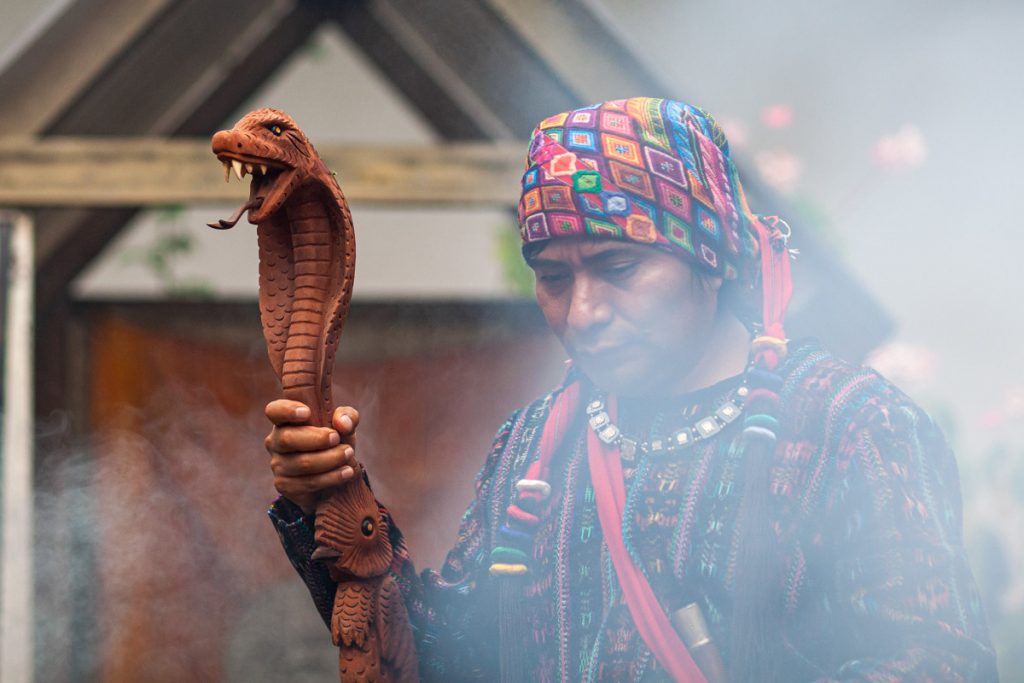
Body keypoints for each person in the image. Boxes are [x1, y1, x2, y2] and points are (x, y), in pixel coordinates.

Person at [264, 98, 997, 681]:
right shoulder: (533, 444)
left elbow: (938, 662)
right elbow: (455, 660)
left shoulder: (850, 423)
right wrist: (333, 503)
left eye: (618, 267)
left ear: (709, 257)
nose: (581, 312)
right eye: (553, 277)